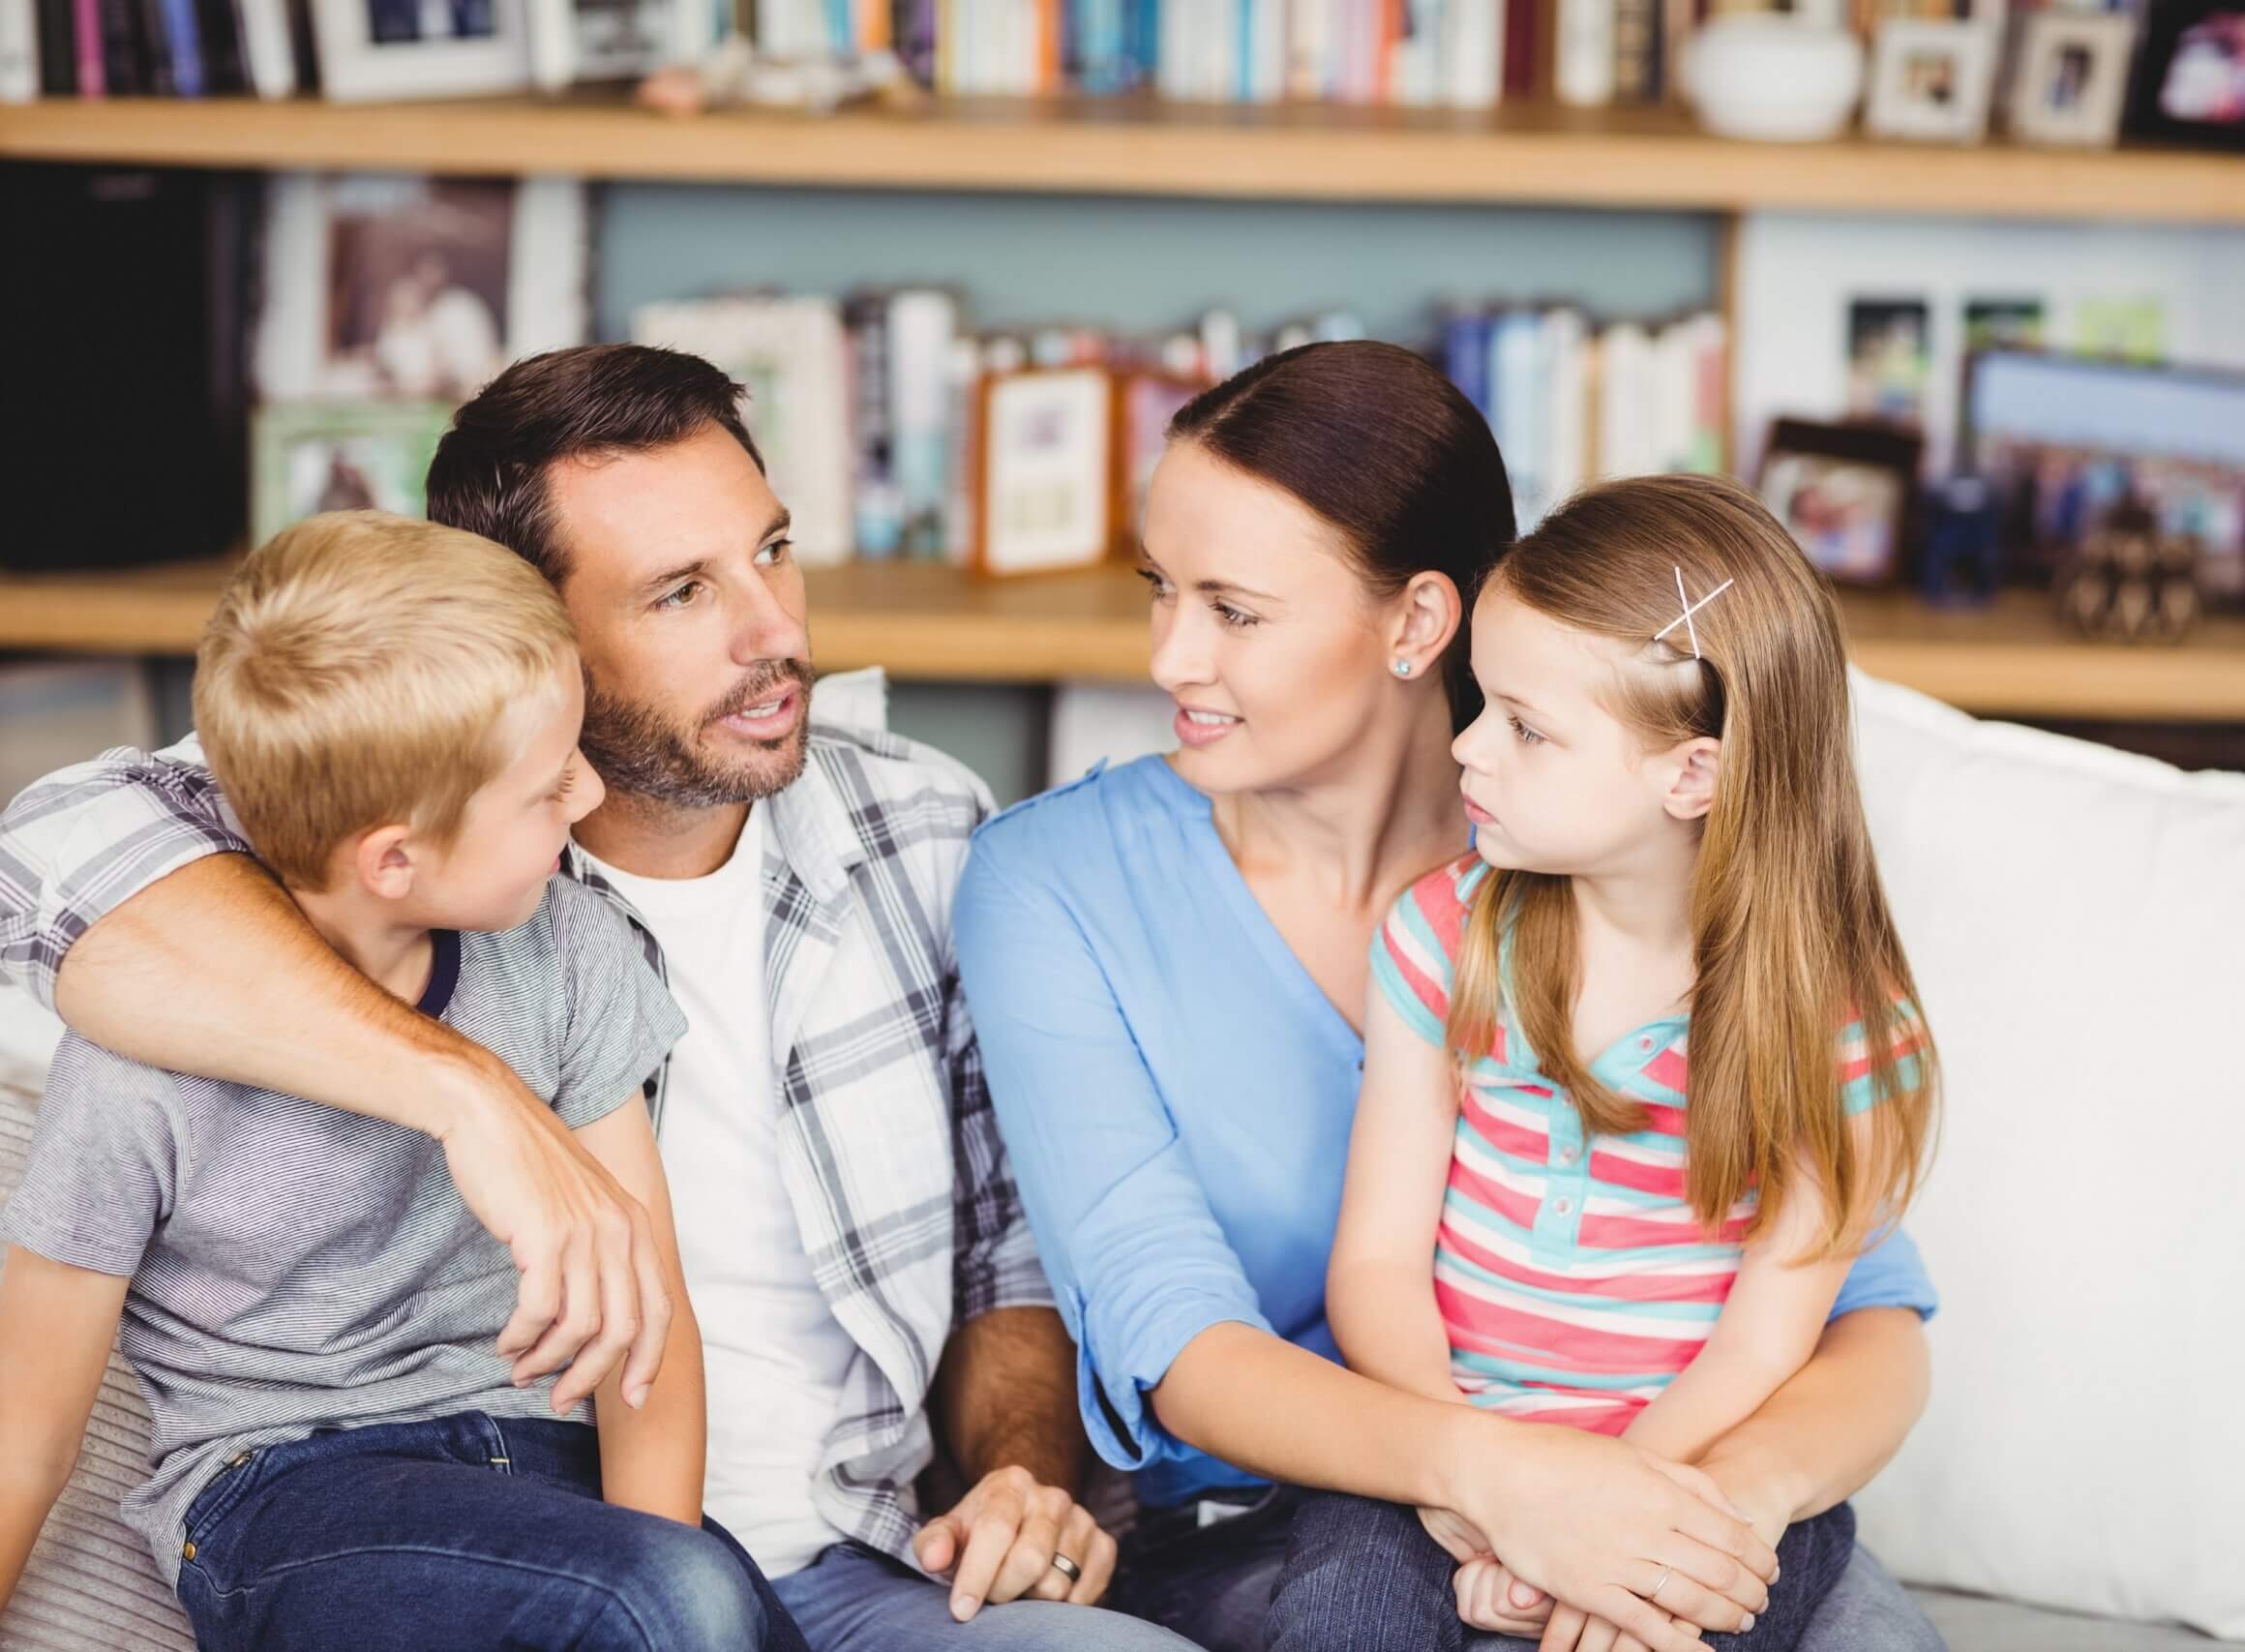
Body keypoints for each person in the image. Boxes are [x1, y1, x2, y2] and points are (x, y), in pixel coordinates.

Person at [0, 345, 1193, 1652]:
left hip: (836, 1555)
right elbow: (50, 863)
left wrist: (1023, 1475)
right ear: (525, 628)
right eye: (682, 591)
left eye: (774, 550)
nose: (777, 632)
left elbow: (997, 1249)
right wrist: (467, 1095)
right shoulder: (374, 798)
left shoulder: (920, 827)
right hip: (444, 1531)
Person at [953, 341, 1947, 1652]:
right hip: (1297, 1515)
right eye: (1161, 588)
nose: (1169, 657)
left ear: (1421, 623)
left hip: (1684, 1474)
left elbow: (1861, 1317)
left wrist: (1702, 1508)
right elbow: (1175, 1340)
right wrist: (1504, 1487)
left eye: (1234, 610)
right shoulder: (1052, 882)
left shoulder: (1602, 858)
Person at [0, 513, 800, 1650]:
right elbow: (24, 1434)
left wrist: (670, 1566)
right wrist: (666, 1592)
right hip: (285, 1495)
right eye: (545, 788)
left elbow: (645, 1336)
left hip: (554, 1479)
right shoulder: (136, 1062)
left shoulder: (570, 952)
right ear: (394, 858)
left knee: (699, 1600)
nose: (586, 796)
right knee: (666, 1597)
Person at [1274, 473, 1942, 1651]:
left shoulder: (1843, 1032)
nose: (1467, 747)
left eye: (1526, 728)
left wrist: (1605, 1517)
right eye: (1482, 701)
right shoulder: (1441, 939)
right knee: (1341, 1618)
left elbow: (1763, 1345)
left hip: (1690, 1466)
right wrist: (1477, 1492)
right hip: (1447, 1441)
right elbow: (1375, 1263)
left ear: (1692, 775)